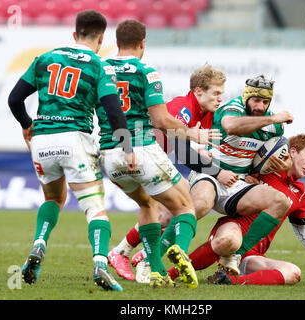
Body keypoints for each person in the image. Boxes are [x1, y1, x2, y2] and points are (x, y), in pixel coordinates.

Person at [7, 10, 136, 292]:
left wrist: (27, 125)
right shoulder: (99, 66)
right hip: (75, 140)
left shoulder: (45, 58)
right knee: (95, 209)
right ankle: (101, 264)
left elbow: (15, 98)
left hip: (42, 140)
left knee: (53, 197)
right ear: (101, 38)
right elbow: (114, 111)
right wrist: (127, 148)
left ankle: (39, 244)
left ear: (74, 35)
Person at [97, 19, 221, 288]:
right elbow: (162, 121)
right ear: (143, 43)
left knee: (148, 205)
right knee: (187, 205)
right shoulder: (147, 72)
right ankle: (178, 251)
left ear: (116, 43)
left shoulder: (99, 69)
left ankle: (152, 268)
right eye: (217, 94)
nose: (219, 99)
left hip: (109, 154)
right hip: (141, 150)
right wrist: (193, 135)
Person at [170, 134, 305, 285]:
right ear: (292, 151)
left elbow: (304, 230)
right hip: (233, 227)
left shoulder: (300, 192)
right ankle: (170, 275)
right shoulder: (262, 167)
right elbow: (233, 158)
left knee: (293, 273)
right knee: (228, 241)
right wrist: (204, 153)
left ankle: (230, 280)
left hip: (252, 254)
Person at [107, 64, 239, 282]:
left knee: (165, 213)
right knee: (176, 207)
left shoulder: (203, 113)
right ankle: (139, 258)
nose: (219, 99)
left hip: (146, 158)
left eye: (221, 94)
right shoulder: (184, 108)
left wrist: (207, 155)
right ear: (198, 91)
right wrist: (217, 172)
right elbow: (183, 152)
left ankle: (129, 254)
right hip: (136, 156)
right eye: (215, 93)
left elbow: (192, 148)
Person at [184, 75, 296, 274]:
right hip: (211, 174)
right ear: (246, 98)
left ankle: (236, 255)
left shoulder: (273, 126)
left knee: (282, 202)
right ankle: (156, 255)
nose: (260, 106)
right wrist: (272, 118)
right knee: (200, 205)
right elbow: (231, 126)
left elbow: (284, 157)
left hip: (238, 184)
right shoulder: (233, 108)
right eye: (256, 100)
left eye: (265, 102)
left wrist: (283, 163)